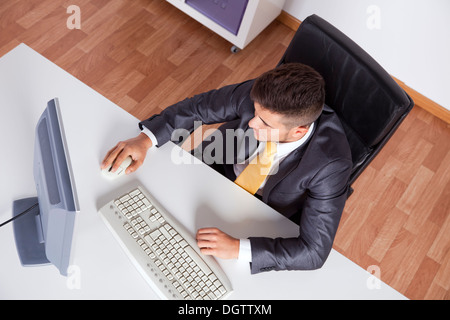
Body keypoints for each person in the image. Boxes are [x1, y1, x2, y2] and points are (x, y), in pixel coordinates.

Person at [101, 63, 352, 274]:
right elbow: (196, 108)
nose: (251, 121)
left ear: (298, 131)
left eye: (264, 123)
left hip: (260, 209)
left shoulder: (331, 164)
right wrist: (145, 141)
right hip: (215, 166)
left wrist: (238, 249)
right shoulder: (261, 98)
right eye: (254, 112)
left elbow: (313, 253)